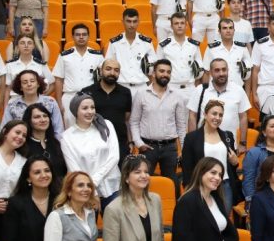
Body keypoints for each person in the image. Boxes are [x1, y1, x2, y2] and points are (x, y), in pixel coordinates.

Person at [129, 59, 188, 188]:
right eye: (161, 71)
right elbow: (133, 122)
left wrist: (184, 148)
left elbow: (181, 126)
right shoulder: (141, 94)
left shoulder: (177, 96)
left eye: (168, 72)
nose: (165, 74)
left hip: (170, 148)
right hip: (148, 147)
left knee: (172, 184)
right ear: (153, 73)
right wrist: (139, 143)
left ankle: (173, 208)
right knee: (143, 184)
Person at [61, 94, 122, 209]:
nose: (90, 111)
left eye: (92, 107)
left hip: (113, 186)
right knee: (89, 226)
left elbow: (114, 156)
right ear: (75, 111)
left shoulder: (106, 125)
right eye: (84, 108)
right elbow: (74, 169)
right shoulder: (67, 137)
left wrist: (94, 181)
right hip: (86, 191)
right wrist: (91, 189)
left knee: (117, 225)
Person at [181, 99, 239, 210]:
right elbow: (187, 167)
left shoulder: (228, 136)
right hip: (201, 186)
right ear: (205, 114)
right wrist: (188, 190)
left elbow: (232, 165)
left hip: (224, 185)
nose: (217, 118)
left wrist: (235, 163)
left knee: (223, 221)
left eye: (220, 115)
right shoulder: (191, 138)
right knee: (203, 222)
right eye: (214, 113)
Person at [186, 58, 250, 151]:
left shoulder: (238, 90)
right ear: (211, 72)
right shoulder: (200, 90)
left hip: (230, 146)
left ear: (228, 70)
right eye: (217, 70)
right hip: (203, 146)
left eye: (224, 69)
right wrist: (192, 144)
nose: (221, 73)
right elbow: (192, 116)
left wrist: (243, 143)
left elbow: (243, 117)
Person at [52, 23, 104, 128]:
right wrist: (59, 103)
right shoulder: (64, 56)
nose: (81, 37)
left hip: (91, 97)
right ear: (72, 37)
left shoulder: (97, 55)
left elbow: (103, 77)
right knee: (70, 128)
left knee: (91, 127)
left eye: (84, 34)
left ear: (89, 36)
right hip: (69, 96)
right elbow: (58, 80)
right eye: (78, 34)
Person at [81, 59, 132, 163]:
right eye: (108, 69)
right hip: (94, 143)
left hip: (120, 143)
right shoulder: (87, 92)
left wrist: (130, 142)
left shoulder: (125, 92)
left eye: (116, 70)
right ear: (100, 71)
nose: (112, 73)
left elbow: (126, 118)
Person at [105, 8, 156, 92]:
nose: (132, 25)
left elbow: (153, 65)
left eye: (135, 21)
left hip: (141, 86)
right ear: (122, 22)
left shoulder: (146, 43)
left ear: (138, 22)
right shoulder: (114, 43)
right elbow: (108, 65)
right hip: (121, 86)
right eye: (128, 21)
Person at [5, 70, 65, 137]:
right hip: (20, 142)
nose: (29, 84)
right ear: (20, 87)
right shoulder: (12, 104)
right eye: (25, 82)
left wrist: (57, 145)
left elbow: (58, 129)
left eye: (32, 81)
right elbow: (5, 128)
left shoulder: (50, 102)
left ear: (38, 84)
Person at [155, 12, 203, 91]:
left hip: (190, 88)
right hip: (170, 88)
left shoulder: (194, 45)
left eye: (182, 23)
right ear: (171, 26)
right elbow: (157, 69)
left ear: (186, 25)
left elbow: (200, 69)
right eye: (176, 23)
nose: (179, 26)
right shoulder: (163, 45)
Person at [20, 103, 68, 181]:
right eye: (37, 117)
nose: (43, 120)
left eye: (45, 116)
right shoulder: (24, 146)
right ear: (29, 121)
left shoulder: (56, 144)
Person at [202, 19, 252, 90]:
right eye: (225, 28)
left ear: (234, 30)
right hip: (216, 91)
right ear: (219, 31)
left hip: (237, 91)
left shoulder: (242, 48)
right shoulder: (211, 49)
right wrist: (204, 93)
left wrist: (247, 95)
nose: (228, 31)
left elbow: (248, 74)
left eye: (230, 28)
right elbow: (206, 73)